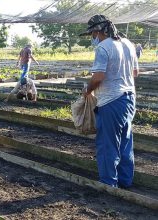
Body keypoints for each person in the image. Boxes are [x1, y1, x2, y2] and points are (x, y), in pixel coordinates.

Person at [80, 15, 139, 188]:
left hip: (111, 101)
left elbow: (98, 76)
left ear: (98, 32)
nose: (92, 38)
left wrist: (88, 90)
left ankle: (108, 184)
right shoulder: (128, 44)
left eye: (92, 34)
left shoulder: (103, 47)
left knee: (107, 144)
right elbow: (135, 73)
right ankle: (125, 181)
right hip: (129, 99)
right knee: (125, 141)